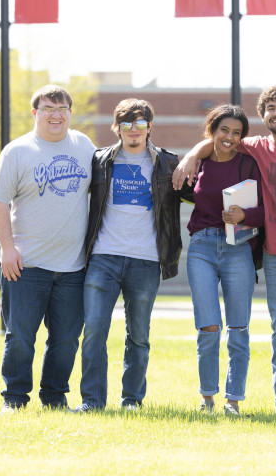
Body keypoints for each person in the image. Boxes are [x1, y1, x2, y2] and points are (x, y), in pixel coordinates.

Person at [173, 86, 276, 419]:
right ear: (264, 116)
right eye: (271, 108)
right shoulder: (256, 147)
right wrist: (193, 154)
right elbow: (220, 139)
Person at [0, 85, 96, 412]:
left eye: (62, 108)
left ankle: (54, 398)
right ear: (35, 113)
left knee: (65, 341)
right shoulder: (17, 151)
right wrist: (7, 248)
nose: (56, 114)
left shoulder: (84, 146)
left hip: (73, 267)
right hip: (26, 266)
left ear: (70, 114)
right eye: (49, 108)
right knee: (20, 338)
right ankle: (15, 399)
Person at [72, 99, 182, 412]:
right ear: (116, 128)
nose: (134, 129)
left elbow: (195, 193)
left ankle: (131, 400)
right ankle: (92, 401)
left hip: (146, 261)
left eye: (141, 123)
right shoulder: (99, 161)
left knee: (139, 335)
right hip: (103, 258)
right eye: (126, 123)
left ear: (150, 127)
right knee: (94, 330)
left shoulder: (167, 164)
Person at [185, 104, 264, 416]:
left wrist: (245, 214)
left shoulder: (249, 165)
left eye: (236, 132)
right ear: (212, 132)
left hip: (238, 248)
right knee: (208, 328)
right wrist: (192, 155)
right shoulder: (198, 163)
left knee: (239, 328)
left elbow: (265, 210)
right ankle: (207, 400)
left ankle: (233, 401)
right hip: (201, 247)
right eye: (223, 131)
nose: (229, 137)